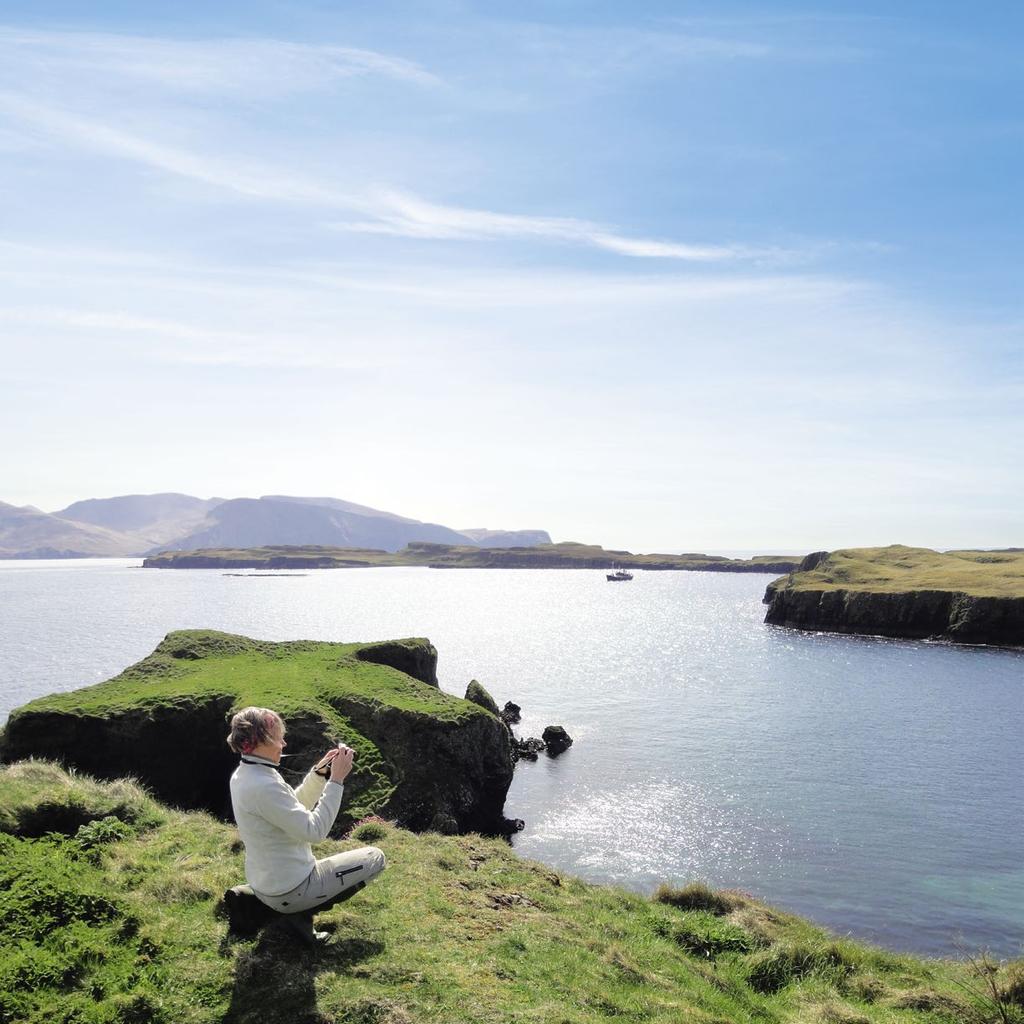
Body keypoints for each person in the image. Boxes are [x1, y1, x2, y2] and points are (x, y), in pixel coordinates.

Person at [225, 706, 386, 942]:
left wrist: (319, 775)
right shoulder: (265, 785)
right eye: (279, 737)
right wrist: (337, 780)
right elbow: (315, 831)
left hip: (266, 882)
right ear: (263, 740)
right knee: (376, 857)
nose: (284, 744)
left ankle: (259, 903)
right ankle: (297, 913)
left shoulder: (247, 774)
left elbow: (292, 808)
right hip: (292, 888)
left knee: (289, 885)